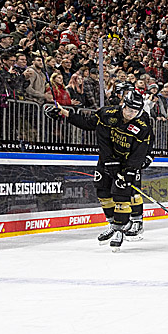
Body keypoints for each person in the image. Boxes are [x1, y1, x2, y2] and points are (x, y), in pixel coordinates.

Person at [45, 90, 153, 250]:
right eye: (129, 109)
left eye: (135, 111)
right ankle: (113, 224)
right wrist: (65, 114)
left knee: (121, 195)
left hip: (126, 162)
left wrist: (130, 170)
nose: (131, 114)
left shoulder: (142, 125)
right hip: (106, 160)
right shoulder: (106, 114)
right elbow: (87, 123)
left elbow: (141, 151)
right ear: (123, 104)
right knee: (102, 192)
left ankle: (120, 230)